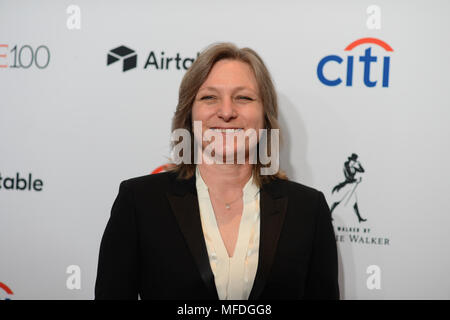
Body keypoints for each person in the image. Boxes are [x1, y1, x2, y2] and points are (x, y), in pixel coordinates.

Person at [95, 42, 339, 300]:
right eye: (209, 97)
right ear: (189, 113)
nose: (226, 112)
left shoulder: (308, 208)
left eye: (243, 98)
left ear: (265, 115)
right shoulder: (139, 201)